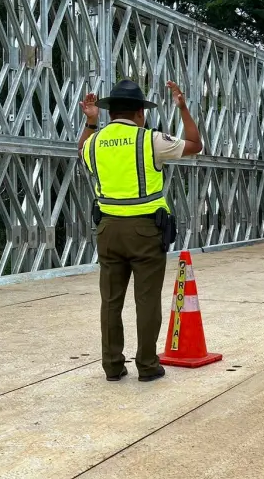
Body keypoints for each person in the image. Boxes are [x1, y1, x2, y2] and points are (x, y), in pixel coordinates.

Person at [79, 79, 203, 382]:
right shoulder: (151, 140)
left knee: (110, 301)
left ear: (110, 113)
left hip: (107, 230)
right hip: (145, 231)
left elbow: (81, 147)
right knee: (146, 301)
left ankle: (112, 366)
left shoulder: (93, 142)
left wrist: (90, 122)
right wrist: (184, 108)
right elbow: (195, 145)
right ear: (139, 113)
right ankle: (147, 365)